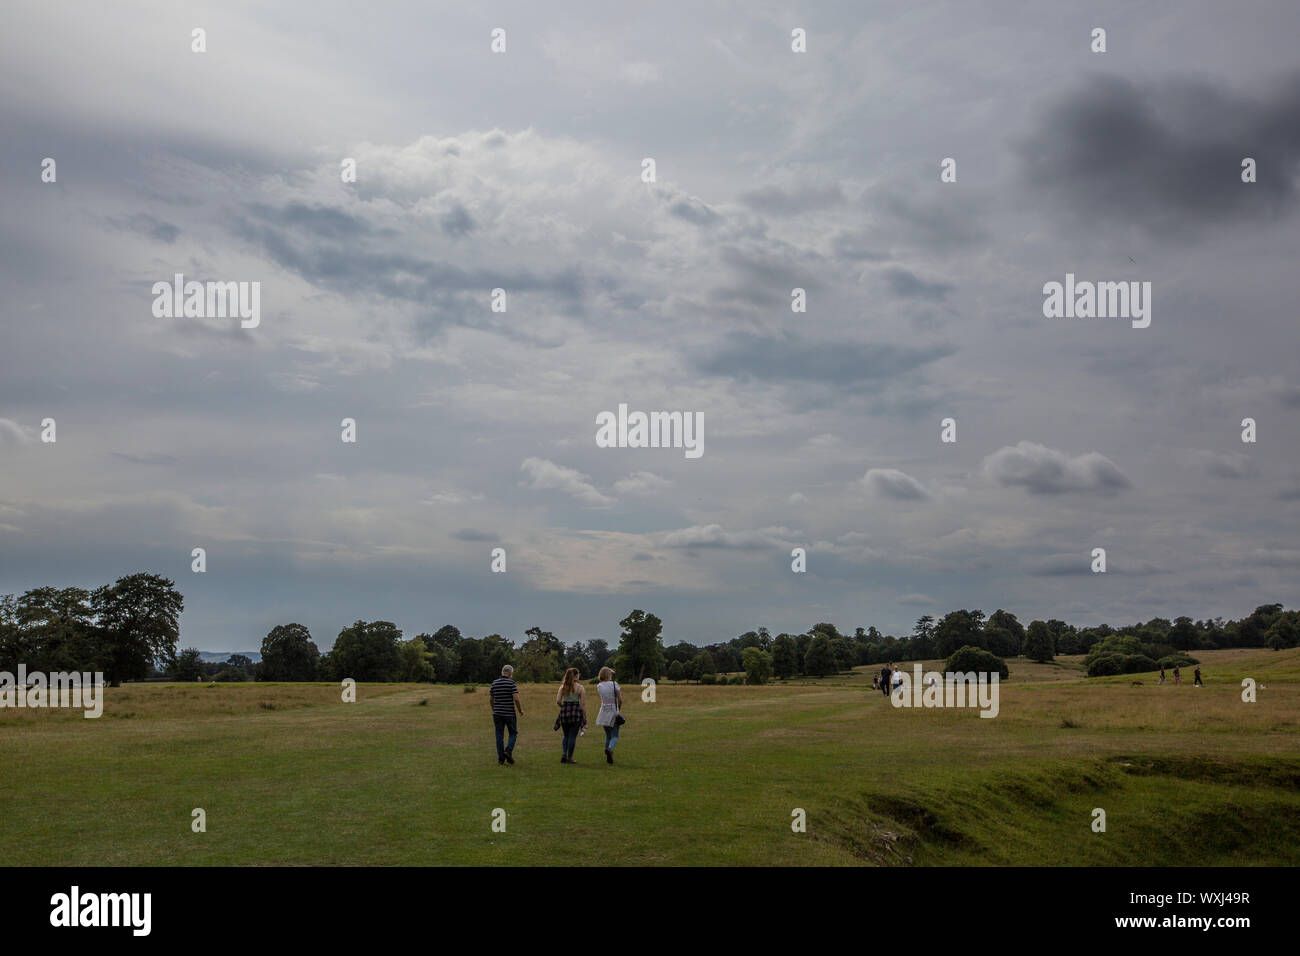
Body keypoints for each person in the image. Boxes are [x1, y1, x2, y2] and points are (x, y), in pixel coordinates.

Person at [490, 664, 522, 765]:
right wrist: (520, 710)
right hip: (509, 713)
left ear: (502, 672)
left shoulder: (494, 683)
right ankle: (508, 751)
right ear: (510, 673)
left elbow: (491, 699)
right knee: (513, 733)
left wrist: (494, 709)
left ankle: (501, 759)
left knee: (499, 736)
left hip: (497, 713)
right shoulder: (511, 683)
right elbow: (516, 699)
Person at [554, 667, 587, 764]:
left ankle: (564, 754)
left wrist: (563, 707)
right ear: (576, 676)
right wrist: (585, 717)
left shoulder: (562, 687)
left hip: (564, 712)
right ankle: (570, 757)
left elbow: (558, 701)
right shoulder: (580, 688)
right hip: (575, 713)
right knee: (572, 736)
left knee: (566, 735)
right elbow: (583, 704)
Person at [594, 666, 624, 764]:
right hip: (613, 709)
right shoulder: (614, 684)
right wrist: (618, 710)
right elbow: (620, 699)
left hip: (603, 710)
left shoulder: (599, 686)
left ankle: (608, 752)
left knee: (608, 735)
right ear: (608, 675)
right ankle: (610, 749)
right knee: (615, 735)